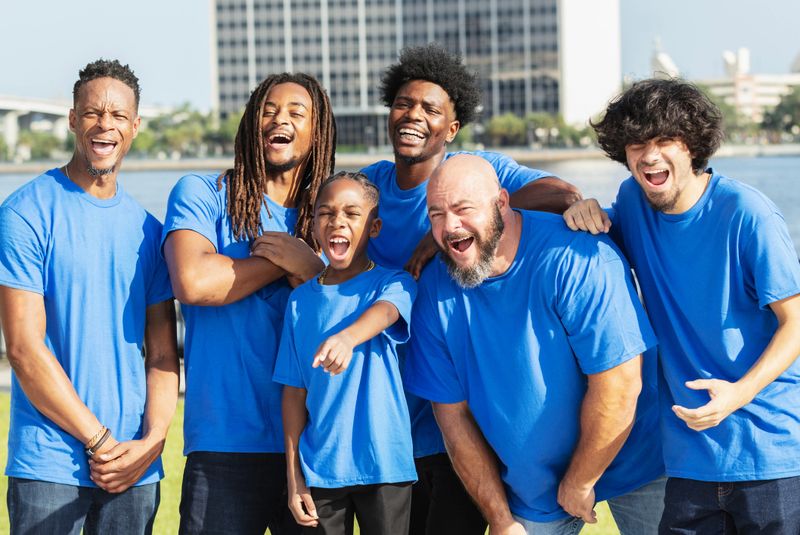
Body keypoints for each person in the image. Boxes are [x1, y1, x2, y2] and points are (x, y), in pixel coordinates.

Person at [360, 42, 582, 535]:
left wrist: (445, 225)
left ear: (452, 128)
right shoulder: (366, 188)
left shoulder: (477, 174)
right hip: (387, 426)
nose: (413, 115)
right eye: (403, 103)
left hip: (460, 426)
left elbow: (561, 193)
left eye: (431, 109)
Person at [563, 78, 800, 534]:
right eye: (636, 144)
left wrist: (738, 393)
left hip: (768, 453)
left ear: (692, 145)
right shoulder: (632, 202)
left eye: (665, 140)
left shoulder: (747, 214)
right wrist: (580, 207)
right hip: (688, 460)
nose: (649, 155)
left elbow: (795, 323)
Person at [404, 154, 666, 535]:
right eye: (436, 215)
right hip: (534, 485)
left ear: (501, 203)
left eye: (462, 210)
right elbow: (453, 419)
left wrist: (580, 481)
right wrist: (500, 519)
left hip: (637, 456)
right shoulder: (433, 291)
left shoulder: (577, 258)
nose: (450, 227)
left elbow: (620, 386)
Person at [0, 59, 179, 534]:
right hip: (49, 466)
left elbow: (162, 353)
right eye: (94, 113)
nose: (106, 125)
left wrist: (153, 441)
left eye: (119, 115)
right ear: (74, 119)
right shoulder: (24, 213)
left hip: (135, 467)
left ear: (135, 127)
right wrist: (99, 440)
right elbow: (23, 348)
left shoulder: (149, 232)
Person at [162, 73, 334, 534]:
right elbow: (195, 281)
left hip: (314, 448)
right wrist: (289, 262)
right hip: (224, 446)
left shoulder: (330, 215)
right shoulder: (203, 194)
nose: (280, 119)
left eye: (297, 113)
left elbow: (345, 312)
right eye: (268, 110)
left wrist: (311, 268)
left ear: (318, 132)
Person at [275, 171, 417, 534]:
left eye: (352, 214)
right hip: (320, 469)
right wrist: (294, 477)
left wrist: (348, 338)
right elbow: (293, 392)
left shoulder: (394, 282)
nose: (337, 221)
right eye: (326, 213)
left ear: (374, 227)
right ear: (315, 223)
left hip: (384, 465)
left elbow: (387, 311)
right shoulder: (299, 301)